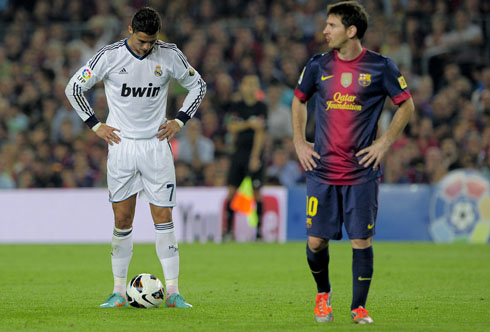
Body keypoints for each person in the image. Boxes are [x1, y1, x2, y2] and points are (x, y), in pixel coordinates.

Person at [65, 7, 206, 308]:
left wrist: (179, 120)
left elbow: (199, 85)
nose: (146, 46)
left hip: (156, 146)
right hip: (122, 146)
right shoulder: (110, 56)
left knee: (163, 217)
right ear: (130, 30)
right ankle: (117, 291)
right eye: (142, 40)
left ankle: (173, 293)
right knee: (122, 218)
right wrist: (96, 125)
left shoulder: (169, 55)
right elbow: (74, 87)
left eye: (151, 41)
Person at [291, 1, 414, 324]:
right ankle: (323, 294)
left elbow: (406, 105)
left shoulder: (380, 66)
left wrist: (384, 144)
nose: (324, 31)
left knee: (362, 240)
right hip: (323, 169)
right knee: (316, 241)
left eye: (330, 25)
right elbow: (298, 99)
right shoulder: (318, 65)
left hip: (361, 171)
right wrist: (299, 141)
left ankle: (358, 307)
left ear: (351, 31)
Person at [224, 75, 267, 241]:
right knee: (232, 192)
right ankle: (228, 231)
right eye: (248, 83)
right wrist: (249, 123)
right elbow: (231, 127)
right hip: (238, 154)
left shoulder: (262, 107)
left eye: (255, 84)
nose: (251, 87)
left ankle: (258, 232)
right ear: (241, 86)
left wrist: (255, 156)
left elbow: (261, 132)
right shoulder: (237, 106)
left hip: (254, 154)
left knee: (257, 193)